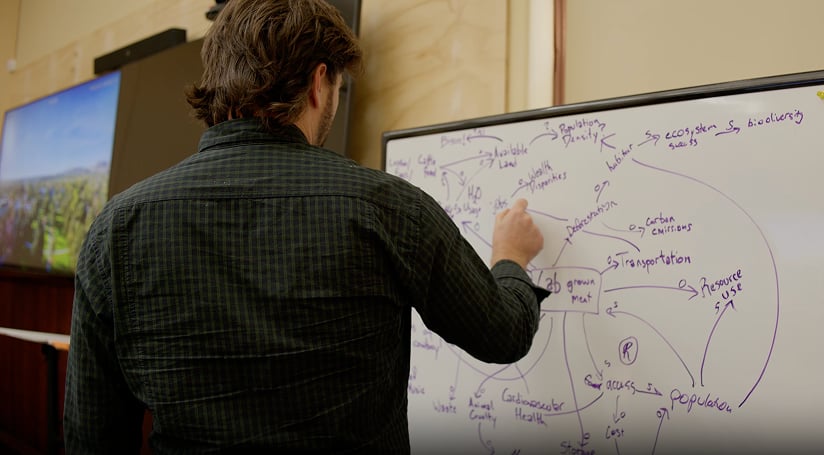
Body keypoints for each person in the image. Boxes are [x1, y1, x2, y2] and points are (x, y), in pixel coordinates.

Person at [63, 0, 550, 452]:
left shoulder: (116, 228)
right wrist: (510, 257)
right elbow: (502, 334)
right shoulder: (390, 207)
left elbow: (91, 437)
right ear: (319, 81)